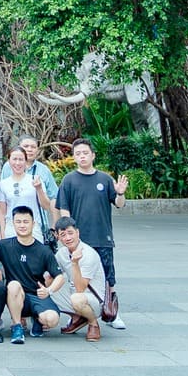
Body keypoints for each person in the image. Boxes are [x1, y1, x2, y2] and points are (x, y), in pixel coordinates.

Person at [54, 138, 127, 329]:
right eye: (78, 154)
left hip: (102, 237)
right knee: (76, 277)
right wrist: (68, 236)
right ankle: (77, 313)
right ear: (74, 157)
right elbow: (64, 210)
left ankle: (111, 312)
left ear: (93, 155)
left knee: (108, 276)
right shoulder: (69, 180)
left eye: (85, 153)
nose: (82, 156)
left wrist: (120, 193)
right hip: (79, 240)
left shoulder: (105, 179)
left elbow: (119, 204)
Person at [0, 206, 67, 345]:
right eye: (18, 222)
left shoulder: (43, 250)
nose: (22, 225)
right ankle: (17, 327)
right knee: (13, 285)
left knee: (52, 319)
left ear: (33, 224)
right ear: (13, 224)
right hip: (16, 296)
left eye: (26, 222)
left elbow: (60, 277)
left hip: (37, 295)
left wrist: (48, 290)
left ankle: (38, 319)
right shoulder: (3, 246)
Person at [52, 216, 107, 342]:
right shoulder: (62, 253)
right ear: (58, 237)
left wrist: (75, 263)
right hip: (74, 294)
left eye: (70, 233)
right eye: (63, 235)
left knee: (76, 298)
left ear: (77, 232)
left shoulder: (88, 254)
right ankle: (78, 318)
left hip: (94, 300)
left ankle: (93, 323)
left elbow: (80, 288)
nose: (68, 238)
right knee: (45, 288)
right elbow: (50, 274)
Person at [0, 146, 57, 241]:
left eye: (21, 159)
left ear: (25, 161)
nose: (17, 163)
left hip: (33, 228)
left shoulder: (35, 179)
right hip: (11, 229)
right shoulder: (3, 184)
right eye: (14, 159)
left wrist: (39, 188)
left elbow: (46, 206)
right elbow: (2, 212)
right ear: (9, 161)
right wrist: (3, 234)